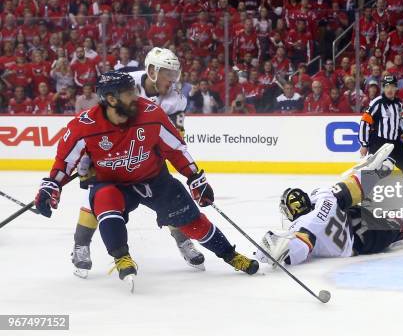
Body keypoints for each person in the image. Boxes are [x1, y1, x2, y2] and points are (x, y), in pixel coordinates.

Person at [34, 71, 258, 290]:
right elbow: (63, 162)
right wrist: (51, 186)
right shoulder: (83, 125)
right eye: (129, 93)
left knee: (192, 222)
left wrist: (195, 178)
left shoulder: (151, 114)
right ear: (111, 99)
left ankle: (231, 254)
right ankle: (121, 257)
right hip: (113, 183)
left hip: (154, 180)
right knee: (104, 198)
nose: (136, 96)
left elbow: (176, 149)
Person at [70, 47, 202, 278]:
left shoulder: (176, 98)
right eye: (166, 75)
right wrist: (91, 153)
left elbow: (174, 136)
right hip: (109, 151)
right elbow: (99, 114)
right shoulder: (125, 81)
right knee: (97, 198)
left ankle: (183, 241)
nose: (171, 81)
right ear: (152, 71)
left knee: (168, 198)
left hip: (145, 155)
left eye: (174, 75)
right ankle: (81, 245)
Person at [254, 144, 403, 266]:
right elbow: (352, 189)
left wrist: (278, 252)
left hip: (359, 240)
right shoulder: (323, 196)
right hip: (354, 217)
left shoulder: (304, 226)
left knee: (393, 230)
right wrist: (374, 174)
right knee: (353, 202)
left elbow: (299, 249)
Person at [358, 74, 403, 186]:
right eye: (386, 86)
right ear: (383, 88)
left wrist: (401, 133)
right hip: (379, 142)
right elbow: (365, 122)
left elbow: (398, 120)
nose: (389, 89)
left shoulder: (398, 104)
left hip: (394, 142)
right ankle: (362, 195)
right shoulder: (377, 102)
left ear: (396, 88)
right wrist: (364, 144)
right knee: (380, 169)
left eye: (392, 86)